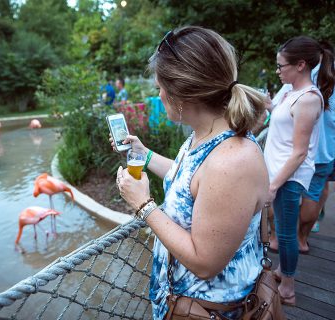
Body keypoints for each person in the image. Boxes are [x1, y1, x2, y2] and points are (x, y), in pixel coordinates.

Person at [111, 26, 268, 319]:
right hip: (182, 301)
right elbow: (193, 182)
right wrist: (144, 155)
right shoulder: (206, 133)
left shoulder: (232, 162)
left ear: (183, 94)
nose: (158, 94)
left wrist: (144, 205)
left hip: (209, 311)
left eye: (159, 86)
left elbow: (205, 262)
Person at [263, 36, 334, 306]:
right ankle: (283, 271)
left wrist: (273, 186)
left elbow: (300, 152)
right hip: (280, 174)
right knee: (282, 229)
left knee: (284, 234)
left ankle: (289, 288)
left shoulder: (308, 99)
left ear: (301, 65)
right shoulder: (291, 93)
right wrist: (270, 106)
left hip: (288, 178)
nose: (278, 71)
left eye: (282, 66)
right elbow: (283, 121)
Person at [298, 41, 335, 249]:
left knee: (291, 196)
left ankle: (280, 237)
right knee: (314, 194)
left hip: (302, 149)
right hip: (326, 150)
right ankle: (302, 240)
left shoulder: (305, 73)